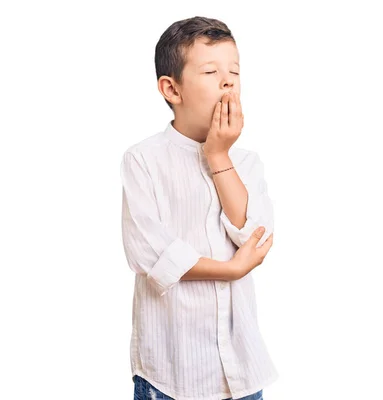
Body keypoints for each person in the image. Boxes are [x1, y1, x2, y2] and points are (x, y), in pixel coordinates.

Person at [120, 16, 277, 400]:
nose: (227, 81)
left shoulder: (248, 162)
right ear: (171, 88)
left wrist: (219, 154)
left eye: (234, 72)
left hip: (242, 372)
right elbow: (150, 253)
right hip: (172, 374)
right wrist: (229, 269)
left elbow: (253, 234)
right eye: (211, 71)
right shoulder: (143, 160)